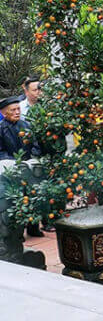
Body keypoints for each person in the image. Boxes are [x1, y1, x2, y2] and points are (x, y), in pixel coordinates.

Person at [0, 96, 42, 237]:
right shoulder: (1, 129)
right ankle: (17, 232)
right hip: (11, 168)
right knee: (16, 200)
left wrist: (33, 157)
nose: (17, 112)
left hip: (29, 166)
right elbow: (1, 151)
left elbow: (36, 145)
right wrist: (14, 162)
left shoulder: (26, 125)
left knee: (33, 196)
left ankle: (34, 227)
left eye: (18, 109)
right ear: (5, 113)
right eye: (13, 110)